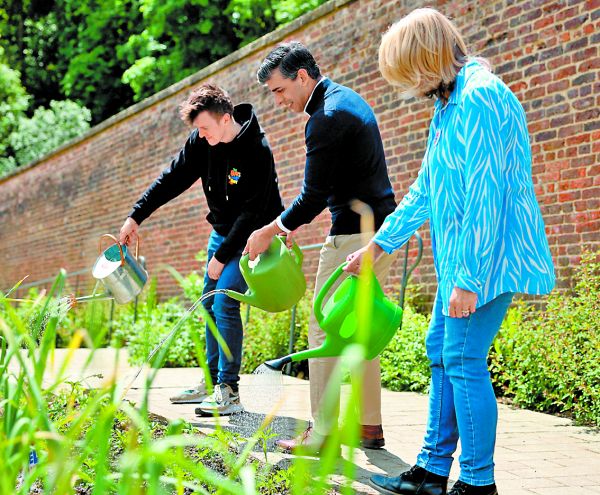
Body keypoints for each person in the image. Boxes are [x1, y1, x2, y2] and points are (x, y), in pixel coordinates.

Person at [344, 8, 555, 495]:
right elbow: (425, 188)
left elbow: (486, 199)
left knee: (462, 360)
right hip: (463, 261)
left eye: (405, 73)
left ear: (425, 59)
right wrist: (381, 245)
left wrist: (468, 279)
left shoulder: (481, 99)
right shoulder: (450, 104)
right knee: (441, 353)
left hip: (483, 264)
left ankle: (478, 484)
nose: (407, 87)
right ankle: (432, 471)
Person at [244, 42, 398, 452]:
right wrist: (289, 224)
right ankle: (369, 427)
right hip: (377, 234)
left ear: (302, 76)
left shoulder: (326, 117)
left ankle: (323, 435)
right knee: (360, 330)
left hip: (352, 237)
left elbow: (312, 197)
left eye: (279, 90)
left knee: (324, 328)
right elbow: (327, 189)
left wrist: (270, 230)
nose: (278, 101)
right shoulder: (343, 100)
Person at [119, 83, 284, 416]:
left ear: (225, 119)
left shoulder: (256, 149)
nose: (201, 135)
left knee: (224, 302)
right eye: (198, 130)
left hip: (254, 238)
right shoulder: (202, 142)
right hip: (222, 232)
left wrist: (222, 257)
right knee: (207, 304)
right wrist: (136, 215)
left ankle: (229, 391)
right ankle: (210, 384)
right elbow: (172, 178)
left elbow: (252, 212)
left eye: (205, 128)